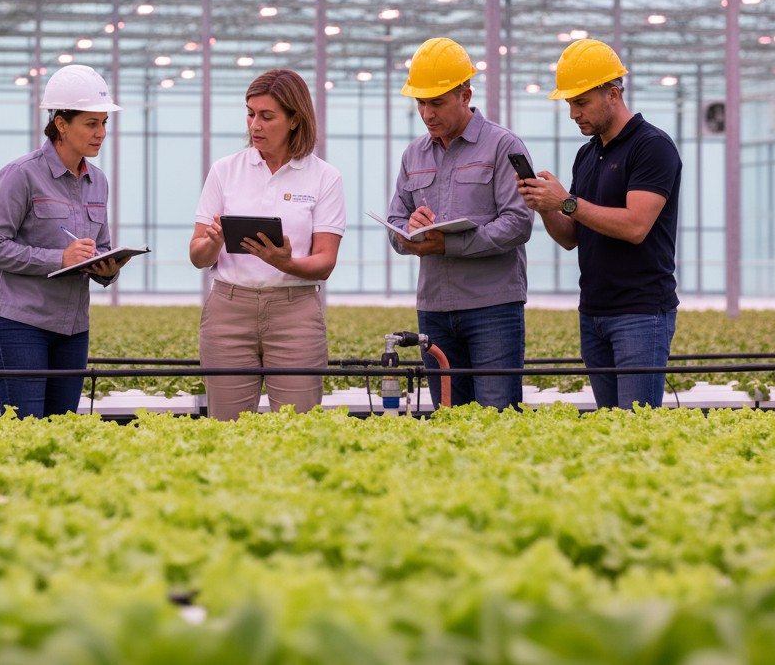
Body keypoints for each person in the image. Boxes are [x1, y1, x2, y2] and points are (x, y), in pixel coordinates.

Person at [518, 38, 681, 410]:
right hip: (594, 312)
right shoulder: (587, 154)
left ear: (612, 93)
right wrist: (545, 206)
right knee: (610, 426)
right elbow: (571, 237)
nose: (573, 113)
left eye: (580, 102)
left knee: (636, 430)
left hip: (640, 313)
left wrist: (567, 202)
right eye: (569, 104)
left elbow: (636, 226)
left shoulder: (652, 146)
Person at [189, 69, 346, 421]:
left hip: (295, 312)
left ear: (294, 120)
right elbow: (197, 256)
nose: (255, 125)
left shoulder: (324, 177)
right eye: (250, 113)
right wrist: (213, 242)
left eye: (267, 116)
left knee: (298, 429)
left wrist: (285, 262)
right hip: (229, 309)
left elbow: (325, 261)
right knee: (225, 430)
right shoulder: (225, 170)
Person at [385, 37, 533, 411]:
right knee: (447, 413)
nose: (427, 113)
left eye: (437, 102)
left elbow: (519, 223)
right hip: (434, 308)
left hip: (493, 308)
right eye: (421, 102)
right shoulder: (413, 154)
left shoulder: (504, 146)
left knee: (497, 416)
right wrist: (409, 233)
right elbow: (394, 221)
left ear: (465, 95)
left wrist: (448, 244)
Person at [0, 64, 123, 418]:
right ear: (61, 123)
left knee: (63, 429)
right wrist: (60, 259)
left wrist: (106, 268)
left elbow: (99, 246)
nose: (101, 133)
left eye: (104, 122)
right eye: (91, 123)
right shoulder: (20, 175)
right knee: (25, 430)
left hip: (73, 327)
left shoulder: (98, 181)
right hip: (19, 323)